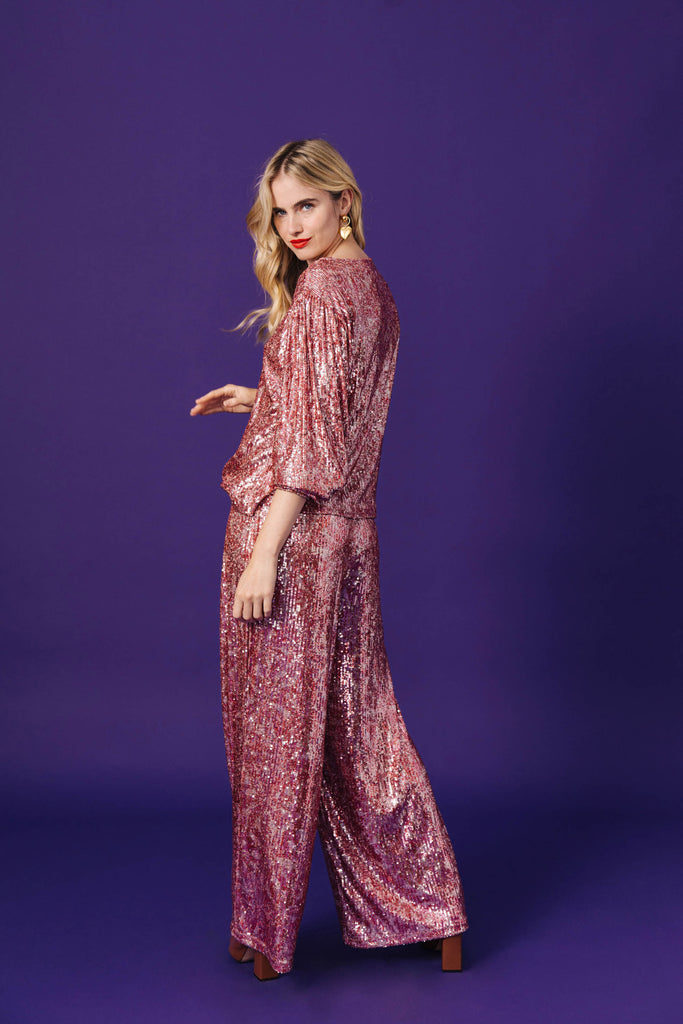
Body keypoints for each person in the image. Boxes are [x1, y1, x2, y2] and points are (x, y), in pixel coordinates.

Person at [190, 139, 467, 981]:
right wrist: (263, 397)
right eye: (279, 211)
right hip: (352, 538)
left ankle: (263, 931)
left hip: (295, 539)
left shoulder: (318, 293)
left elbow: (312, 452)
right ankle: (431, 906)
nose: (291, 225)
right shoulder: (368, 285)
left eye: (306, 204)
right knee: (359, 724)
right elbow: (332, 409)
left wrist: (263, 557)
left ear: (344, 200)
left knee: (272, 740)